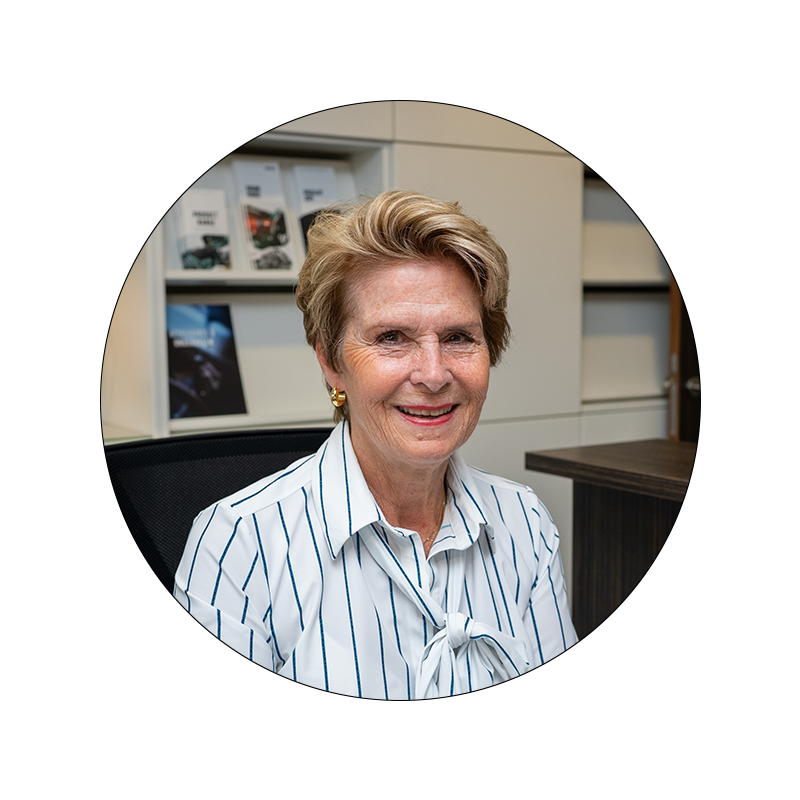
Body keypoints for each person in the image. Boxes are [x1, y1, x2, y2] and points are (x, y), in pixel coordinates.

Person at [174, 190, 578, 699]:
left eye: (458, 337)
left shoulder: (525, 523)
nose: (433, 374)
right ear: (331, 361)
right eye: (391, 337)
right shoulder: (240, 544)